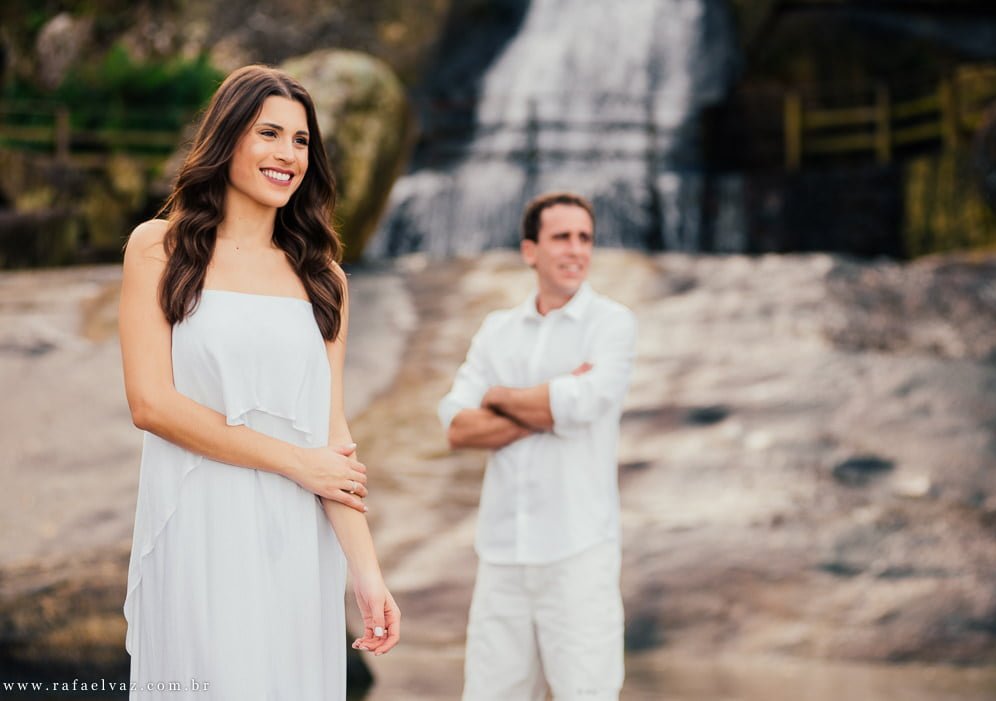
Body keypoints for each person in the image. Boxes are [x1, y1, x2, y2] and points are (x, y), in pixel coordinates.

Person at [118, 65, 399, 699]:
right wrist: (298, 463)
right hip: (200, 526)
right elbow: (151, 404)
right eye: (269, 133)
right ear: (227, 139)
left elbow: (333, 435)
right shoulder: (158, 249)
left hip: (298, 538)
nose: (288, 155)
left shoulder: (324, 276)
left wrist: (368, 573)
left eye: (301, 141)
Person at [438, 192, 637, 700]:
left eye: (585, 238)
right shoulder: (497, 330)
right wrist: (550, 402)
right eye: (562, 238)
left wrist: (499, 397)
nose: (576, 250)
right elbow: (457, 427)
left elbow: (583, 404)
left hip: (578, 553)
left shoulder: (612, 323)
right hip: (501, 555)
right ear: (531, 251)